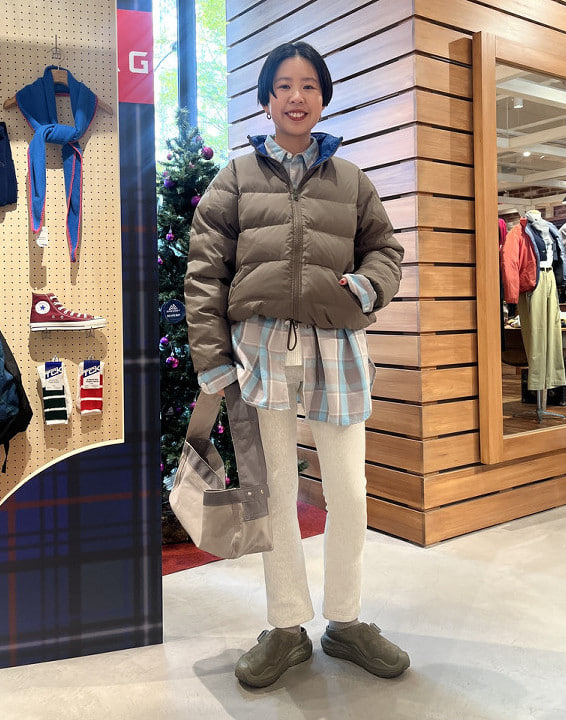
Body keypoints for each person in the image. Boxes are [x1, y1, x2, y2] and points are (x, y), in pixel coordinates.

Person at [184, 40, 409, 688]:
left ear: (323, 97)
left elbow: (386, 251)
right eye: (283, 85)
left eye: (309, 84)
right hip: (261, 347)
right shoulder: (235, 177)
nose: (296, 96)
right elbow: (204, 271)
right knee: (277, 493)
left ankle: (346, 620)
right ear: (266, 99)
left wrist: (367, 286)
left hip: (337, 346)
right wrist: (212, 358)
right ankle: (286, 628)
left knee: (350, 493)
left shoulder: (351, 180)